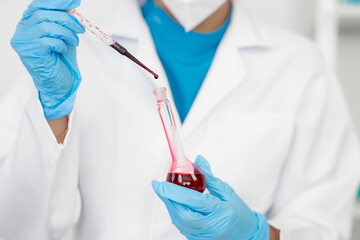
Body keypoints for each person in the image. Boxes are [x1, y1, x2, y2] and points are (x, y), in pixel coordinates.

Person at [0, 0, 359, 239]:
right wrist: (54, 110)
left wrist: (255, 234)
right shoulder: (69, 55)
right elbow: (16, 225)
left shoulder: (301, 67)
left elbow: (327, 227)